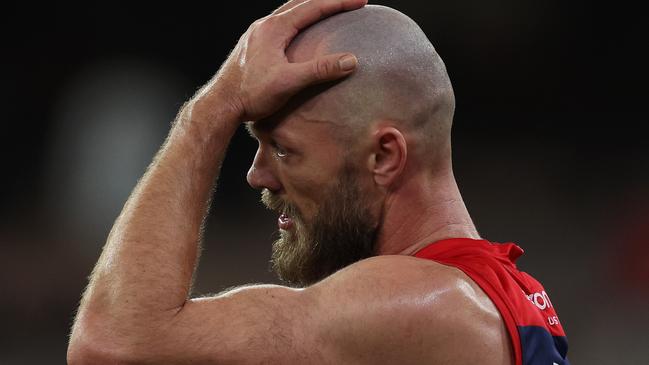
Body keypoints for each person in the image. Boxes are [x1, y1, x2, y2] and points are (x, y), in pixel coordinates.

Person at [67, 0, 570, 364]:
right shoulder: (510, 298)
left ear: (384, 155)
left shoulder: (413, 306)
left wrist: (208, 112)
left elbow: (115, 343)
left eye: (285, 149)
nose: (257, 174)